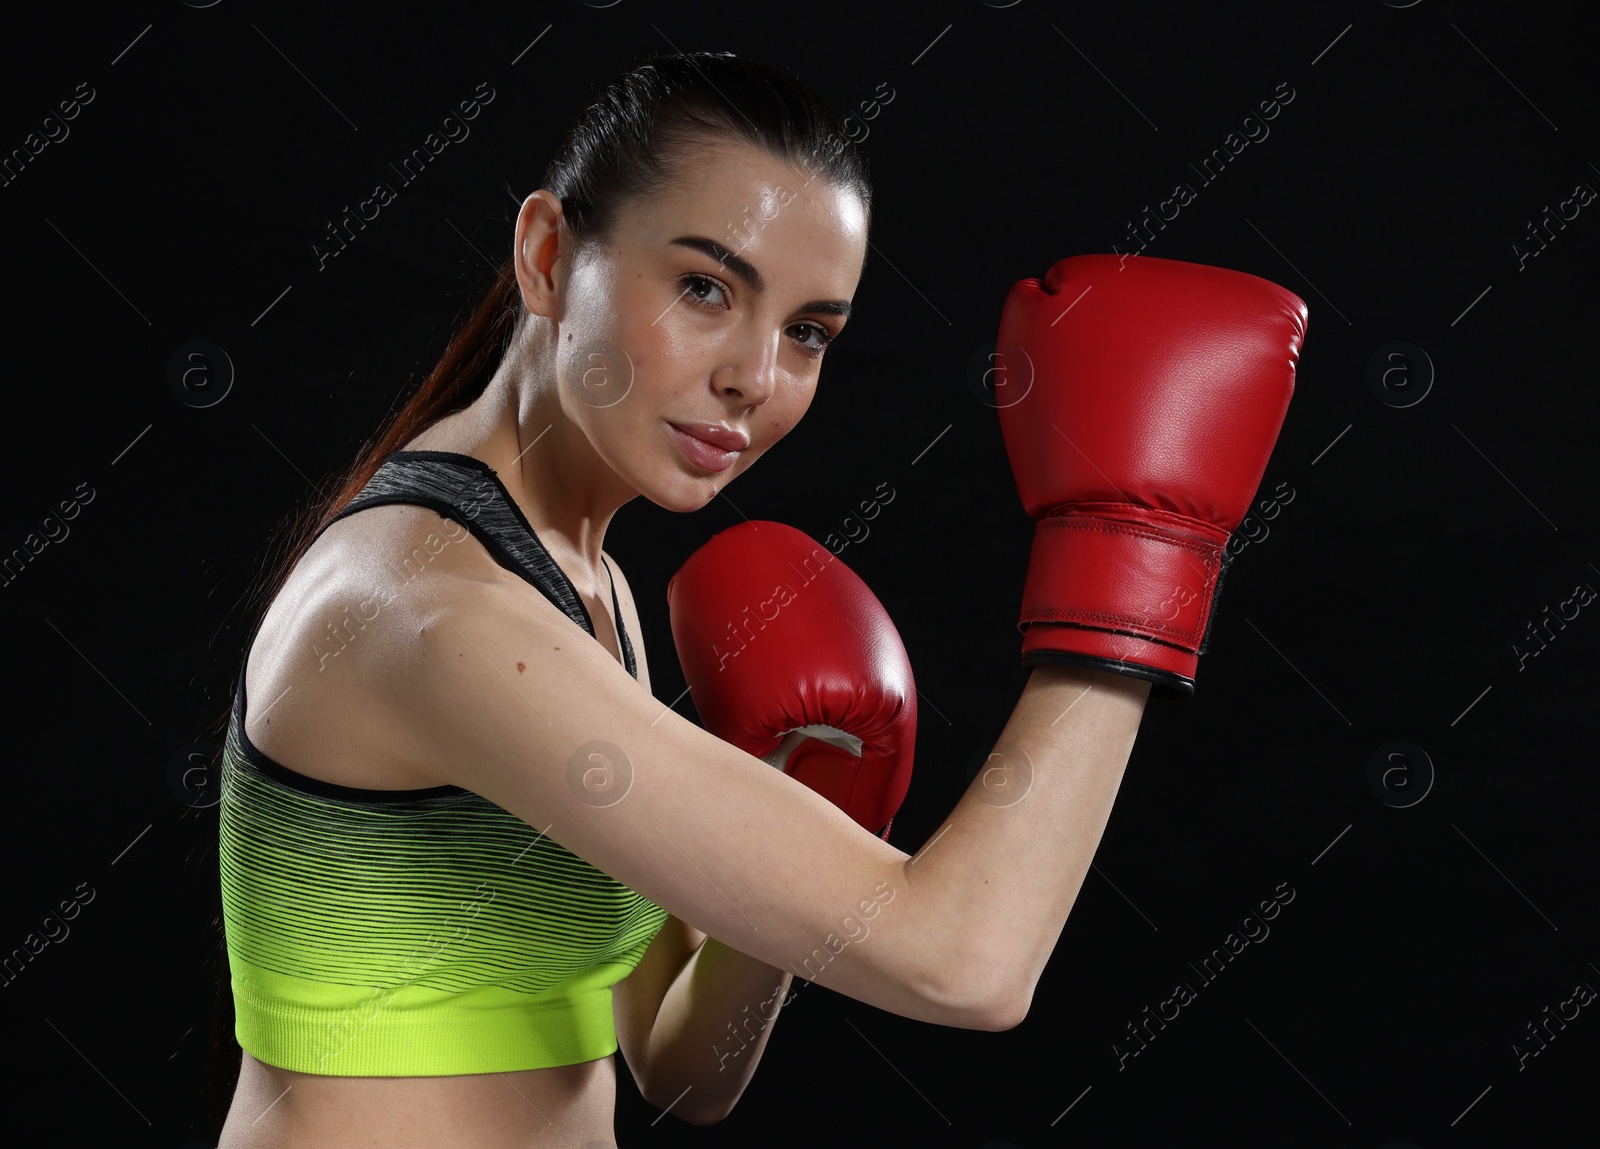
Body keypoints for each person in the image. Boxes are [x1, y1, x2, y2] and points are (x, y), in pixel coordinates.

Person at [212, 50, 1305, 1149]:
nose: (755, 376)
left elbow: (679, 1068)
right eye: (704, 287)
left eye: (808, 332)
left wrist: (812, 796)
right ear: (548, 256)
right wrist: (1142, 546)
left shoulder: (576, 580)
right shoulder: (436, 618)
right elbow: (968, 965)